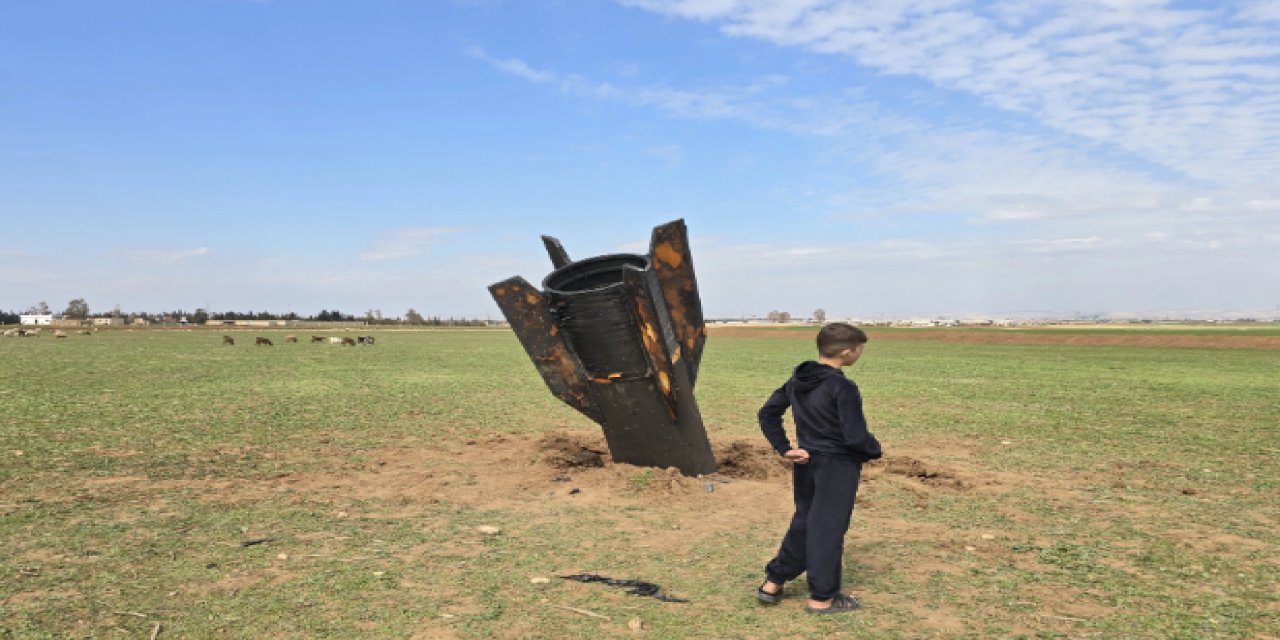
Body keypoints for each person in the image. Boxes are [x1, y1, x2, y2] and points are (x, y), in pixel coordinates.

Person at [755, 322, 883, 614]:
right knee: (827, 528)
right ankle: (822, 598)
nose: (860, 354)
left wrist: (785, 448)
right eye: (860, 349)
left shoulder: (797, 380)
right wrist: (874, 449)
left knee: (806, 521)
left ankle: (773, 582)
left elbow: (767, 413)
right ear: (847, 352)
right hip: (837, 467)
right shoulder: (842, 386)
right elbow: (855, 437)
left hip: (807, 463)